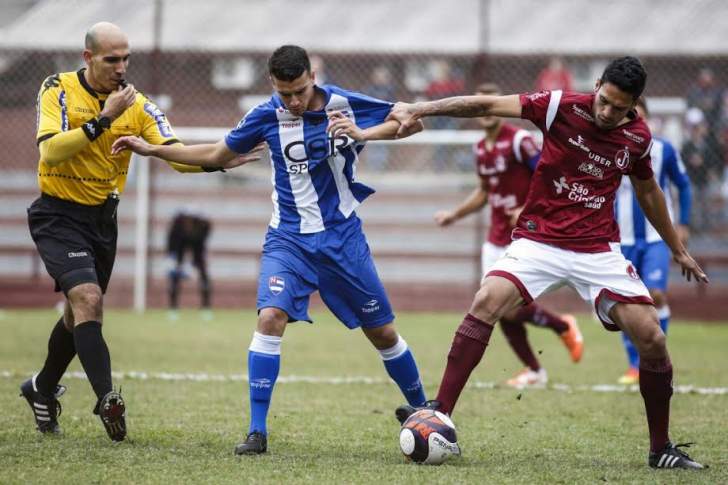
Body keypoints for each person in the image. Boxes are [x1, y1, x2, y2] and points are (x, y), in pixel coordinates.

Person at [390, 56, 709, 469]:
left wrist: (678, 248)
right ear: (597, 85)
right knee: (487, 300)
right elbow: (484, 106)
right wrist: (420, 109)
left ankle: (660, 448)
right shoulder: (559, 105)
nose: (608, 113)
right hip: (540, 241)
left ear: (635, 102)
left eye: (619, 107)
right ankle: (440, 411)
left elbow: (649, 192)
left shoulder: (637, 137)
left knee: (652, 337)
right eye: (605, 101)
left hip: (597, 249)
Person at [112, 45, 428, 455]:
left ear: (312, 77)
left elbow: (410, 125)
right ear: (272, 85)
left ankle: (425, 411)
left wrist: (365, 133)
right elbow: (215, 154)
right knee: (270, 317)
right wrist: (154, 149)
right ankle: (256, 432)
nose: (293, 102)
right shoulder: (264, 115)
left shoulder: (345, 103)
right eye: (285, 94)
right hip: (288, 239)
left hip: (342, 239)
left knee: (383, 332)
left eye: (298, 91)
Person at [20, 22, 258, 442]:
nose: (121, 67)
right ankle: (107, 399)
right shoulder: (56, 88)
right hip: (57, 214)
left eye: (127, 58)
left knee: (79, 314)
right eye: (112, 59)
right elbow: (49, 150)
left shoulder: (139, 105)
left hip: (101, 221)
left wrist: (221, 160)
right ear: (88, 58)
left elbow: (178, 154)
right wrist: (102, 119)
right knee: (89, 300)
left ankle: (41, 387)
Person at [433, 82, 583, 389]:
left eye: (489, 104)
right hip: (495, 237)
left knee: (504, 308)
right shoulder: (480, 148)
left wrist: (529, 208)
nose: (486, 112)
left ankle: (559, 328)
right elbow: (485, 193)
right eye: (480, 106)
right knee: (497, 309)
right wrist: (454, 214)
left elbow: (548, 175)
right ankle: (537, 367)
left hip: (524, 236)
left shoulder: (520, 141)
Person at [614, 96, 692, 384]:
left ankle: (656, 358)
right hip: (622, 239)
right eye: (629, 116)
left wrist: (682, 223)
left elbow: (683, 185)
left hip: (655, 237)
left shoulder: (663, 149)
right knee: (624, 301)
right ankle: (635, 364)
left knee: (656, 294)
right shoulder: (610, 147)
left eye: (639, 117)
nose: (634, 122)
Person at [166, 209, 213, 319]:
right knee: (174, 277)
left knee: (204, 276)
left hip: (197, 250)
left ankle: (206, 308)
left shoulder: (202, 229)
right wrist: (173, 260)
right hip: (179, 250)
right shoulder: (177, 230)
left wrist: (195, 264)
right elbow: (172, 245)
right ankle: (173, 309)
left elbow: (200, 249)